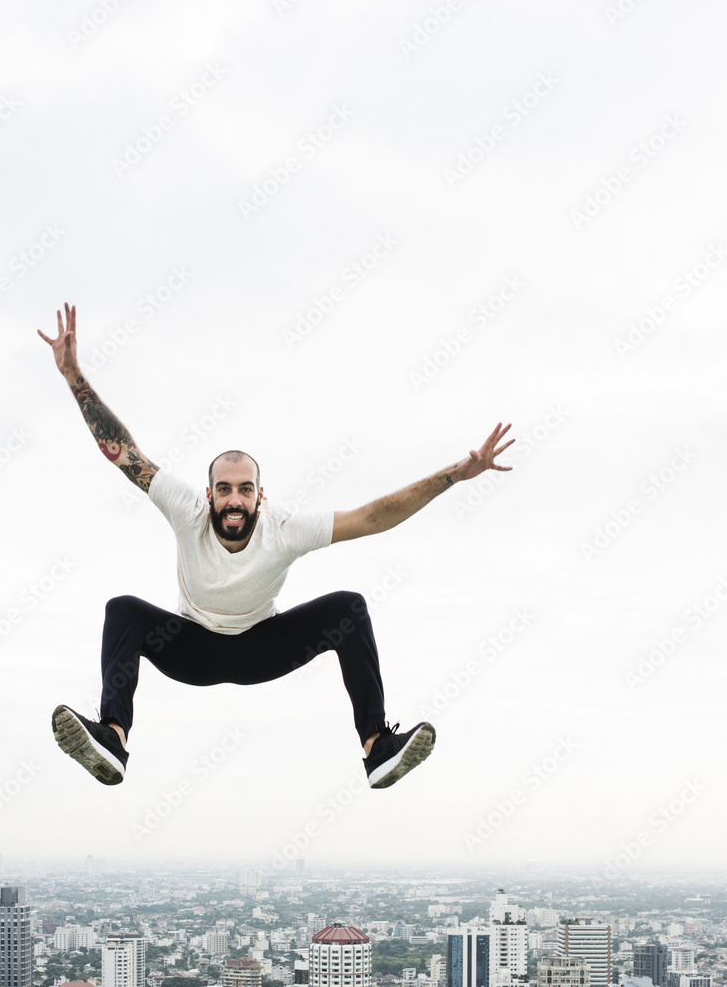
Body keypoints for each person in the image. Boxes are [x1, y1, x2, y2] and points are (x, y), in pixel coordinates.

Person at [37, 303, 514, 789]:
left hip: (261, 649)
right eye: (224, 489)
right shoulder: (186, 510)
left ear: (260, 495)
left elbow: (372, 518)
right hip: (190, 648)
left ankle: (377, 747)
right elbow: (124, 454)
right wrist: (74, 376)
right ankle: (112, 740)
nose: (234, 500)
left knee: (349, 607)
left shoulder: (284, 528)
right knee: (123, 610)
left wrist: (456, 474)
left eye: (245, 489)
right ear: (209, 495)